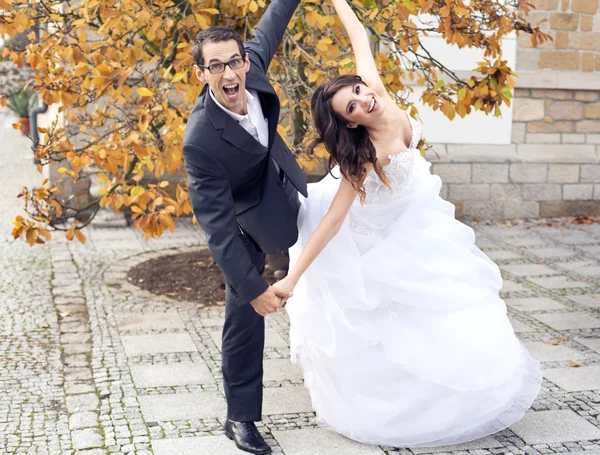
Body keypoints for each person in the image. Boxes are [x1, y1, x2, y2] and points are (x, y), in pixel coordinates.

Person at [272, 0, 542, 448]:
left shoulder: (377, 89)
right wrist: (292, 279)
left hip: (417, 212)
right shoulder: (364, 159)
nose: (363, 101)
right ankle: (396, 406)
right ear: (350, 124)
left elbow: (359, 37)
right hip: (376, 227)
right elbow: (335, 222)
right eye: (352, 108)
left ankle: (461, 394)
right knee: (391, 310)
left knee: (452, 298)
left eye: (357, 92)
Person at [182, 1, 307, 453]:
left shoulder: (251, 67)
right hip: (244, 220)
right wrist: (254, 288)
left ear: (245, 61)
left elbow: (272, 21)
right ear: (201, 74)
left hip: (285, 185)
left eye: (233, 61)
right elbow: (215, 227)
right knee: (245, 310)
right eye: (215, 66)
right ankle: (241, 418)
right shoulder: (200, 142)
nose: (228, 73)